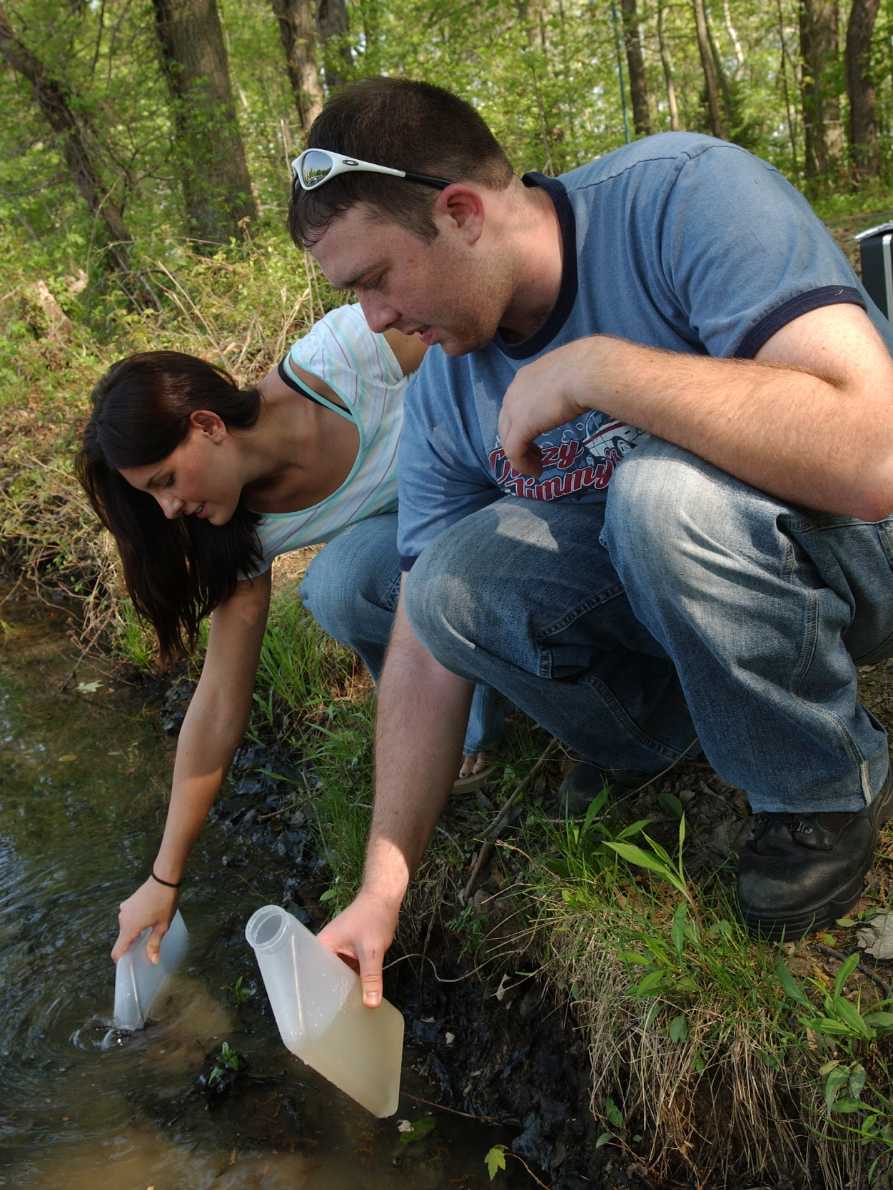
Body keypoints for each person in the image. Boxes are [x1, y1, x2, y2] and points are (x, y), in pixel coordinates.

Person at [286, 77, 893, 1008]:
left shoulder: (686, 195)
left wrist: (599, 369)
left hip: (851, 555)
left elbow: (871, 456)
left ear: (459, 213)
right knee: (447, 582)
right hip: (687, 584)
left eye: (374, 280)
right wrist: (383, 883)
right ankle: (656, 741)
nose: (371, 318)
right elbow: (421, 641)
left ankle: (816, 787)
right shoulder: (450, 385)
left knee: (657, 496)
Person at [77, 303, 504, 963]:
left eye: (165, 481)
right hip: (431, 543)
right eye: (153, 497)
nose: (169, 508)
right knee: (339, 586)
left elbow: (484, 331)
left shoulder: (351, 356)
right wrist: (164, 878)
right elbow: (217, 706)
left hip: (504, 476)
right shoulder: (241, 536)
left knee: (361, 574)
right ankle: (469, 726)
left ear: (207, 424)